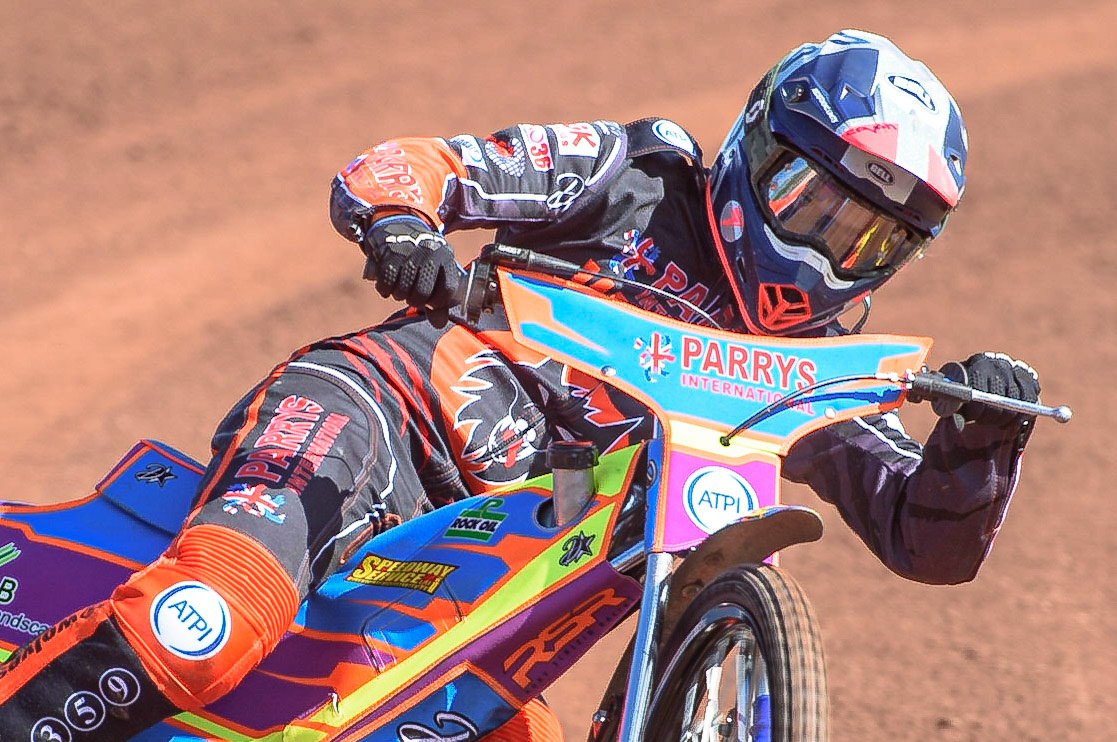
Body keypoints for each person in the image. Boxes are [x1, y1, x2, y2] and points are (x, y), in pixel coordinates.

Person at [0, 29, 1042, 739]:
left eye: (869, 238)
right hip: (380, 421)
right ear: (759, 149)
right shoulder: (634, 175)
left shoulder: (807, 368)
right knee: (210, 618)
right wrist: (404, 228)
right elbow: (412, 166)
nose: (828, 251)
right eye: (815, 203)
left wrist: (976, 442)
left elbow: (923, 540)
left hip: (495, 579)